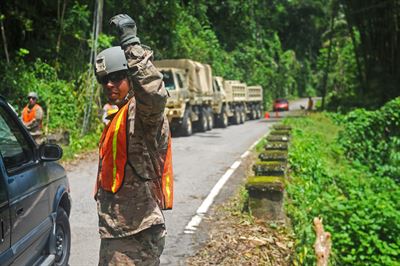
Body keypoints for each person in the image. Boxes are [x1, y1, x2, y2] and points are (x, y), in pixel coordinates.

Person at [94, 14, 173, 266]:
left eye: (117, 77)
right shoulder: (115, 116)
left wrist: (131, 42)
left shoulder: (142, 115)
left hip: (136, 235)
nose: (110, 84)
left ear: (131, 79)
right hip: (116, 233)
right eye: (105, 80)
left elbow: (154, 93)